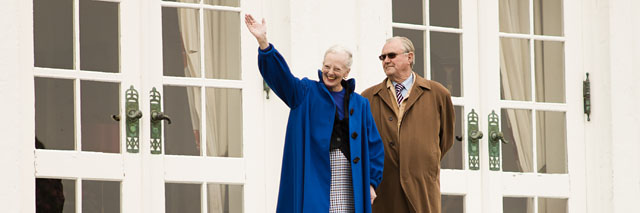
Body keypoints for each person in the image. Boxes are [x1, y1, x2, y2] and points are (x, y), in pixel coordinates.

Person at [244, 14, 384, 213]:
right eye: (327, 66)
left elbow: (375, 146)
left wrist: (371, 182)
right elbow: (282, 78)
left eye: (337, 68)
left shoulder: (360, 104)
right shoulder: (304, 92)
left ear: (347, 72)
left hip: (350, 178)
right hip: (314, 178)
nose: (330, 72)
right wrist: (263, 43)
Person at [361, 36, 455, 213]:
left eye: (391, 55)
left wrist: (420, 158)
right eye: (383, 57)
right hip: (384, 188)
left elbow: (445, 139)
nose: (386, 60)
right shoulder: (367, 98)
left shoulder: (438, 94)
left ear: (409, 57)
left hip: (421, 186)